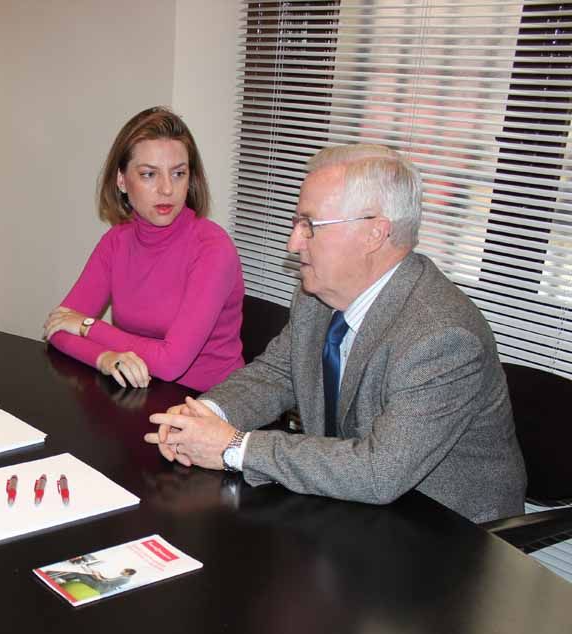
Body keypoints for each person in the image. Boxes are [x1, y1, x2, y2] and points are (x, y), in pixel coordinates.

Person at [146, 144, 525, 524]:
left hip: (448, 539)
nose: (293, 243)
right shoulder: (318, 296)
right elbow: (277, 374)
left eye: (310, 225)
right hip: (350, 505)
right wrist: (200, 417)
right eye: (296, 223)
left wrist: (233, 448)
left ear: (374, 234)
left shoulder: (442, 336)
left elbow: (380, 472)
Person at [41, 107, 244, 392]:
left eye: (178, 173)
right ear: (122, 180)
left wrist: (88, 327)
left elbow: (171, 363)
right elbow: (58, 328)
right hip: (141, 392)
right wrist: (105, 358)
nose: (166, 189)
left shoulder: (213, 248)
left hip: (210, 405)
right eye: (149, 174)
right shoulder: (117, 241)